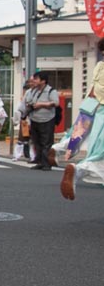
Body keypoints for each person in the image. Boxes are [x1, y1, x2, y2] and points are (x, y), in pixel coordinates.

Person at [61, 37, 104, 200]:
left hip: (98, 111)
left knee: (98, 155)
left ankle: (76, 170)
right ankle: (77, 170)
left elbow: (93, 93)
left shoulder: (99, 67)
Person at [20, 71, 59, 171]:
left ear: (43, 81)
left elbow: (56, 103)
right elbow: (28, 101)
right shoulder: (33, 91)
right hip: (34, 119)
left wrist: (41, 104)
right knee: (36, 141)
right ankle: (39, 161)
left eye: (36, 79)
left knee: (46, 142)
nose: (34, 81)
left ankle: (46, 163)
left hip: (47, 119)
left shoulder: (51, 91)